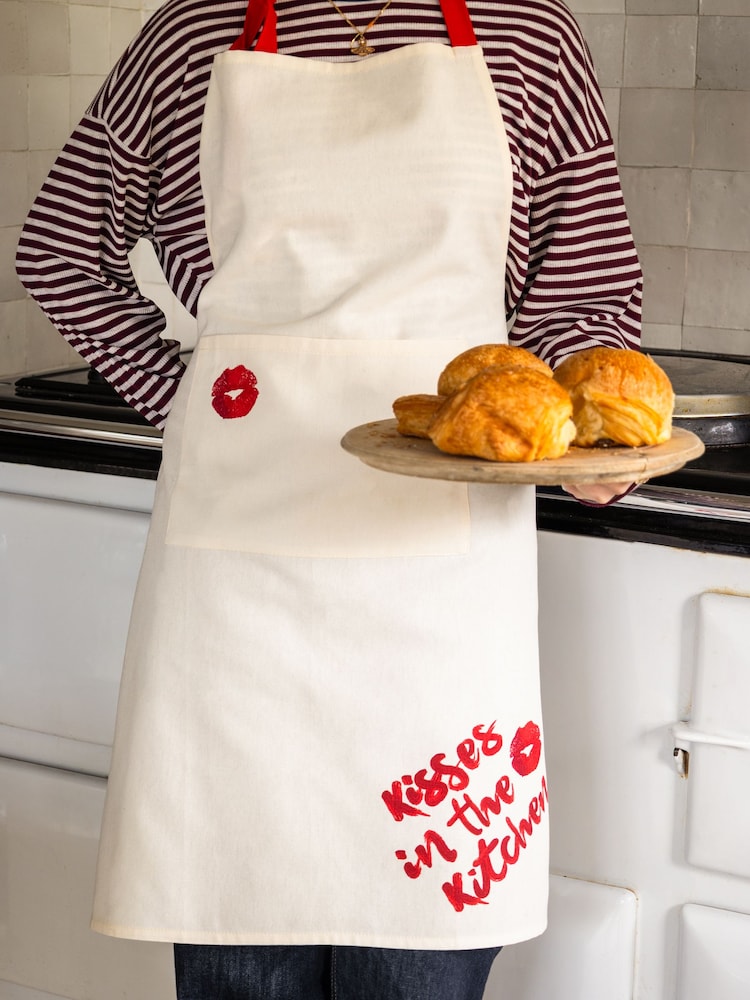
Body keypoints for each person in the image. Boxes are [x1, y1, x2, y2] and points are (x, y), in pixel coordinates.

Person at [16, 0, 642, 996]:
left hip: (441, 593)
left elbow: (583, 307)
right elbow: (57, 249)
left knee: (420, 963)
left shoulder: (527, 33)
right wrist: (187, 401)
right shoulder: (195, 30)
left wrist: (591, 435)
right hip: (238, 596)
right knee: (240, 949)